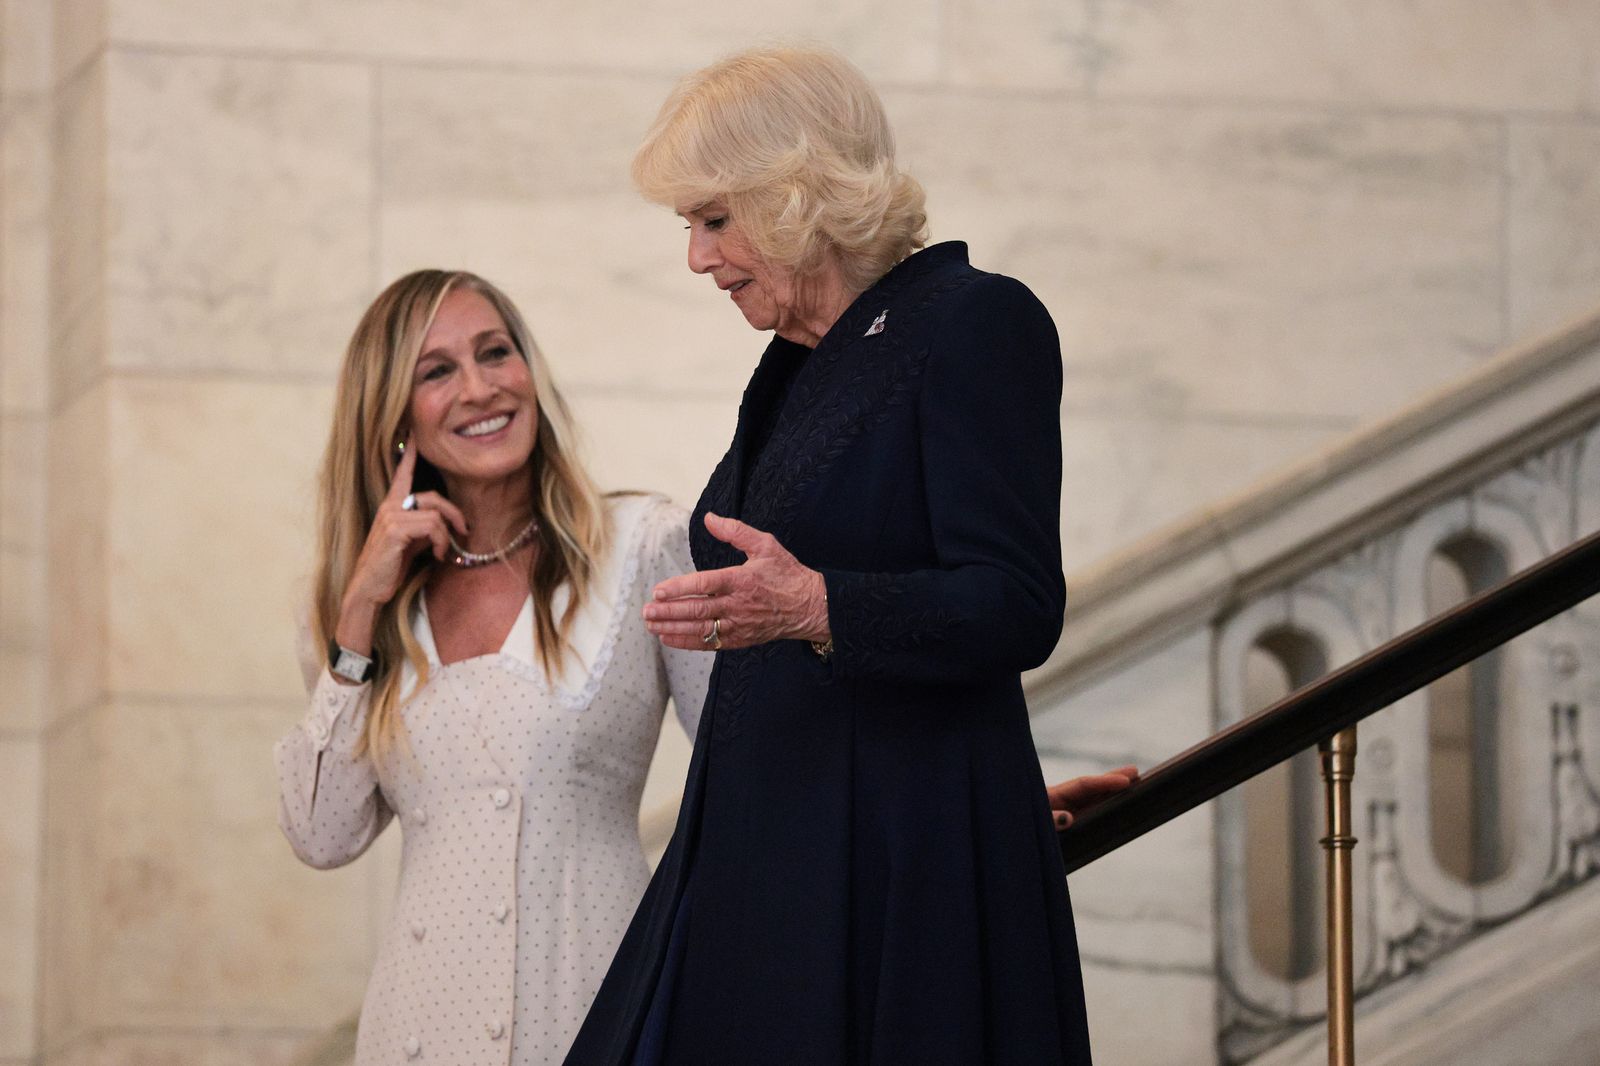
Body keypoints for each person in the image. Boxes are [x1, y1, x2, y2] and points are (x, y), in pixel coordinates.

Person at [566, 47, 1136, 1066]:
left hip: (890, 871)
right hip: (760, 853)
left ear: (795, 193)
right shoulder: (799, 358)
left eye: (713, 219)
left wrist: (817, 606)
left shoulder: (973, 320)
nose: (697, 258)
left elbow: (1014, 601)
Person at [274, 270, 710, 1065]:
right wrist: (358, 609)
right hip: (418, 1029)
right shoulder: (361, 618)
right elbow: (322, 835)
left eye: (495, 353)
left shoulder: (643, 545)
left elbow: (744, 773)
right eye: (436, 371)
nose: (479, 388)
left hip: (598, 1004)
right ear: (393, 419)